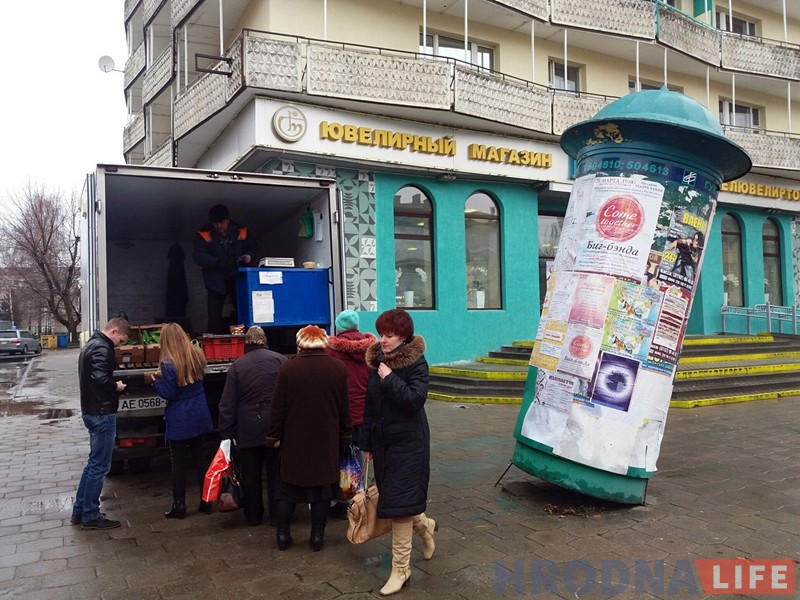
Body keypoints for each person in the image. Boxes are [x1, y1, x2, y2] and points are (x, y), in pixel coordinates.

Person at [362, 309, 436, 596]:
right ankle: (426, 526)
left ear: (403, 336)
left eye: (389, 334)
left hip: (410, 444)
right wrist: (367, 442)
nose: (383, 339)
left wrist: (390, 378)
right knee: (396, 502)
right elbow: (369, 407)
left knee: (399, 507)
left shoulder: (416, 363)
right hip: (383, 444)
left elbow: (414, 401)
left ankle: (401, 570)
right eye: (381, 333)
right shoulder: (377, 362)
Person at [266, 325, 351, 552]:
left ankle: (283, 535)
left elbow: (278, 408)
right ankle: (317, 537)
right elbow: (344, 407)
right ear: (323, 343)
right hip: (326, 440)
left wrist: (273, 435)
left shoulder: (288, 368)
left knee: (287, 490)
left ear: (300, 344)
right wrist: (345, 435)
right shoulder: (338, 368)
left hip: (294, 440)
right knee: (322, 490)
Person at [218, 325, 287, 526]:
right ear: (265, 341)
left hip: (247, 430)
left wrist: (226, 433)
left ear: (245, 344)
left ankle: (253, 516)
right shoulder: (281, 361)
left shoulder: (237, 366)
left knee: (250, 476)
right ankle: (277, 517)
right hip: (274, 429)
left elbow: (227, 403)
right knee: (276, 475)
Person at [149, 323, 214, 519]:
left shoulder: (168, 364)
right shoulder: (197, 355)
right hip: (199, 412)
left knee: (178, 463)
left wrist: (154, 381)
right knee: (200, 457)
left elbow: (168, 393)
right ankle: (206, 501)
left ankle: (180, 505)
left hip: (179, 417)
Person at [72, 317, 131, 530]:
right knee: (100, 466)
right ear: (114, 331)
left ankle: (80, 510)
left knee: (92, 464)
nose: (120, 345)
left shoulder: (91, 344)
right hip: (102, 412)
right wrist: (115, 385)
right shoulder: (102, 348)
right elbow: (99, 378)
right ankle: (91, 515)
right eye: (121, 340)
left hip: (92, 410)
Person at [324, 309, 375, 518]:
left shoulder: (331, 351)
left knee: (342, 458)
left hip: (341, 414)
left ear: (339, 327)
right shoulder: (372, 350)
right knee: (362, 456)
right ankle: (362, 498)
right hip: (365, 412)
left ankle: (342, 499)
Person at [193, 204, 258, 334]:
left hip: (237, 280)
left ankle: (248, 343)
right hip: (215, 282)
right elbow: (198, 255)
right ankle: (213, 350)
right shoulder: (204, 233)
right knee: (214, 318)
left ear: (228, 220)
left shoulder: (241, 230)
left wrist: (249, 256)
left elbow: (253, 247)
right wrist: (216, 262)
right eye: (215, 223)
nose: (218, 226)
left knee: (244, 313)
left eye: (221, 223)